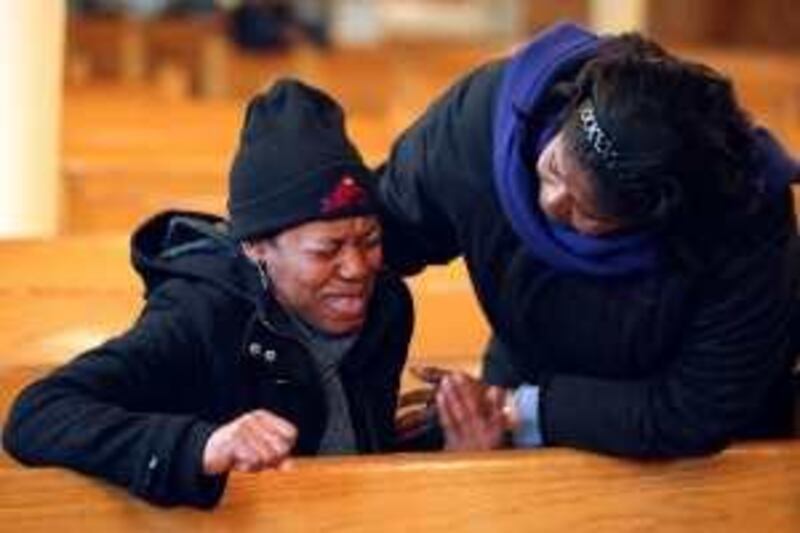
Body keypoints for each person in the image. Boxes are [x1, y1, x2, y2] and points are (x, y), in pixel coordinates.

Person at [382, 23, 800, 456]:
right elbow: (374, 237)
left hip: (706, 449)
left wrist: (522, 410)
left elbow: (699, 407)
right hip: (526, 366)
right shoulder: (482, 122)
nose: (550, 202)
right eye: (555, 168)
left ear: (652, 217)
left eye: (586, 212)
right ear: (569, 106)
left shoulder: (742, 217)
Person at [2, 79, 413, 508]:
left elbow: (355, 465)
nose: (357, 268)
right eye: (326, 250)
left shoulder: (387, 306)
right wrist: (203, 446)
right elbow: (37, 414)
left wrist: (447, 444)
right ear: (256, 246)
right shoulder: (201, 313)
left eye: (369, 241)